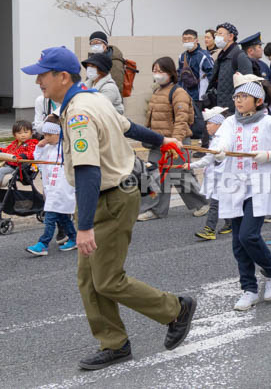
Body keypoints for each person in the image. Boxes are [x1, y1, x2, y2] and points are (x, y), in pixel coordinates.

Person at [21, 47, 195, 370]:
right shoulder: (89, 98)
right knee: (89, 280)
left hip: (111, 198)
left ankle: (176, 309)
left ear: (62, 77)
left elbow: (89, 172)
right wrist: (161, 140)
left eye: (42, 75)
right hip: (105, 195)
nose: (38, 82)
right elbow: (127, 126)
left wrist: (84, 226)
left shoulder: (78, 112)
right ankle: (114, 343)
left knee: (108, 280)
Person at [207, 74, 271, 311]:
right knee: (237, 242)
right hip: (234, 185)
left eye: (243, 96)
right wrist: (219, 150)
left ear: (258, 100)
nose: (238, 100)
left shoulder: (270, 123)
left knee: (248, 235)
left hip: (260, 184)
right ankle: (249, 289)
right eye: (236, 96)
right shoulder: (229, 123)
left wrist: (270, 155)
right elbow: (220, 142)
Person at [138, 57, 208, 221]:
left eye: (161, 71)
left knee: (180, 175)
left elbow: (182, 120)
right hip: (159, 141)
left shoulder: (178, 93)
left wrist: (176, 141)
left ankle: (203, 203)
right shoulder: (157, 91)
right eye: (154, 70)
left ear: (170, 73)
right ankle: (155, 210)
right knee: (153, 174)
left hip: (176, 141)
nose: (157, 74)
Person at [25, 116, 78, 255]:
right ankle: (74, 237)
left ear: (59, 133)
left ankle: (43, 243)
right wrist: (39, 147)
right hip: (51, 187)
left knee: (50, 216)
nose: (46, 137)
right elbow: (38, 161)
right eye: (45, 134)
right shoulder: (48, 147)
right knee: (62, 217)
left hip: (62, 188)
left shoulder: (67, 148)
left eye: (50, 134)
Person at [193, 107, 233, 240]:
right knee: (223, 200)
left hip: (224, 175)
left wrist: (190, 165)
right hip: (219, 175)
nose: (207, 126)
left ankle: (209, 229)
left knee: (216, 202)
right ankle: (230, 223)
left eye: (209, 123)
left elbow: (208, 159)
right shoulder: (216, 138)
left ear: (218, 124)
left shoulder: (221, 139)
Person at [204, 22, 253, 111]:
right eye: (216, 34)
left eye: (220, 34)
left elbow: (248, 84)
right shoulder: (220, 57)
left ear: (230, 36)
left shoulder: (240, 57)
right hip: (220, 106)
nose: (217, 37)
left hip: (234, 108)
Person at [178, 29, 214, 104]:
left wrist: (209, 94)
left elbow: (212, 75)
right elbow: (179, 75)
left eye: (190, 39)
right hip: (184, 96)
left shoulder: (204, 56)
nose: (187, 41)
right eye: (184, 39)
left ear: (196, 40)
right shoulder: (182, 56)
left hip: (200, 97)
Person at [1, 120, 37, 187]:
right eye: (19, 133)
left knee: (1, 171)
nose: (23, 135)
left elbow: (33, 153)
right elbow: (7, 150)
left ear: (31, 133)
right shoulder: (15, 143)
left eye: (26, 132)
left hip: (18, 167)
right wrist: (1, 151)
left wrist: (24, 156)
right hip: (9, 164)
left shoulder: (32, 143)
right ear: (14, 135)